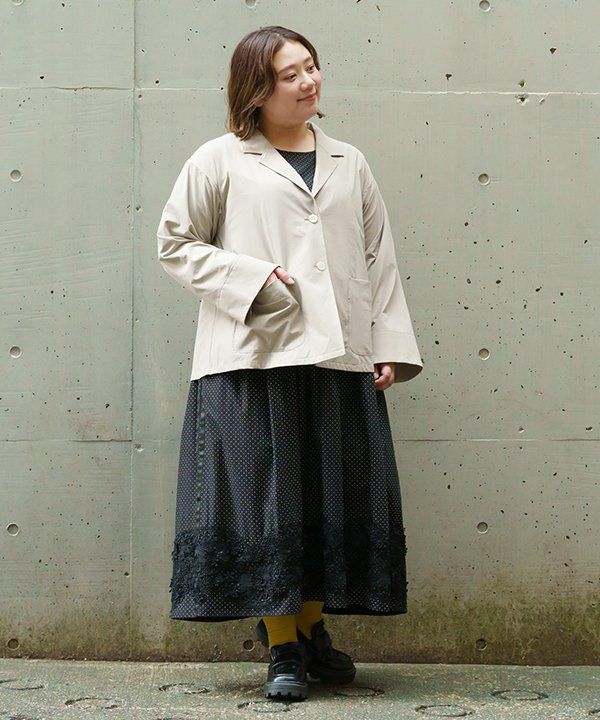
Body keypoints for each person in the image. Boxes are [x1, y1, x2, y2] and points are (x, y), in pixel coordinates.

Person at [156, 25, 423, 702]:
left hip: (338, 355)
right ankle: (282, 648)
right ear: (256, 89)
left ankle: (309, 632)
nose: (309, 82)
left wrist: (387, 344)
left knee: (327, 499)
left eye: (312, 67)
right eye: (290, 74)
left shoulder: (349, 162)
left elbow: (379, 257)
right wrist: (254, 280)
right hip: (252, 359)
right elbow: (175, 243)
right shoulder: (219, 159)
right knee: (267, 505)